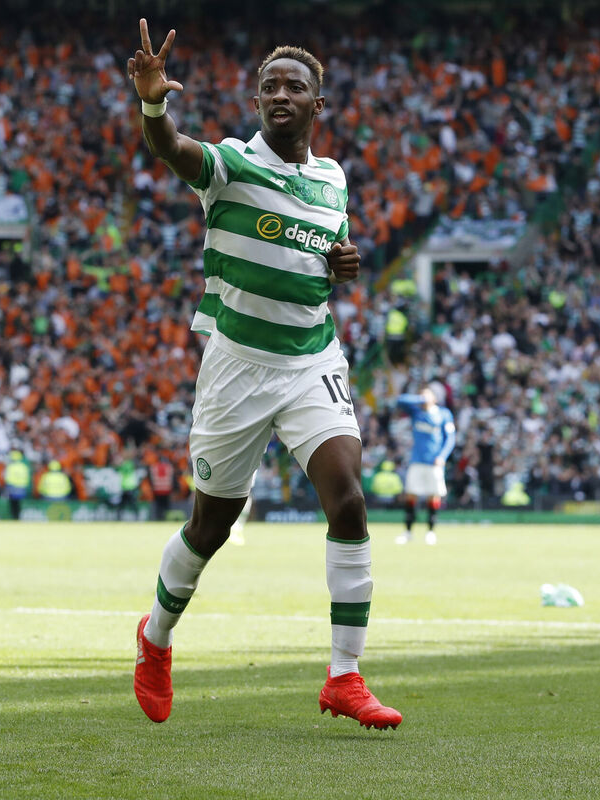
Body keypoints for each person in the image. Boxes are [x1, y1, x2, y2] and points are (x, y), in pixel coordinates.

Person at [127, 19, 400, 729]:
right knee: (210, 526)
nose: (281, 94)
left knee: (348, 500)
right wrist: (154, 103)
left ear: (317, 105)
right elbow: (172, 148)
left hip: (312, 358)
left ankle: (345, 676)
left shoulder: (332, 179)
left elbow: (328, 256)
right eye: (270, 86)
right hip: (238, 368)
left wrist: (343, 263)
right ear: (256, 103)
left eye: (295, 87)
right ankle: (156, 638)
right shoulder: (230, 166)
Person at [394, 387, 456, 545]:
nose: (424, 397)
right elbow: (400, 400)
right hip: (416, 461)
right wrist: (420, 399)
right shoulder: (417, 412)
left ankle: (430, 532)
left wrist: (442, 456)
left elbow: (450, 439)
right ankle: (408, 532)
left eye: (427, 394)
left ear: (435, 397)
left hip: (434, 462)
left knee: (433, 496)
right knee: (411, 495)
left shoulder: (444, 414)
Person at [4, 451, 31, 520]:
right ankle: (19, 517)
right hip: (22, 488)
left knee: (13, 504)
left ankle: (14, 517)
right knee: (20, 504)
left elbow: (7, 478)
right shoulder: (24, 466)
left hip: (12, 488)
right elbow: (27, 478)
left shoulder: (10, 466)